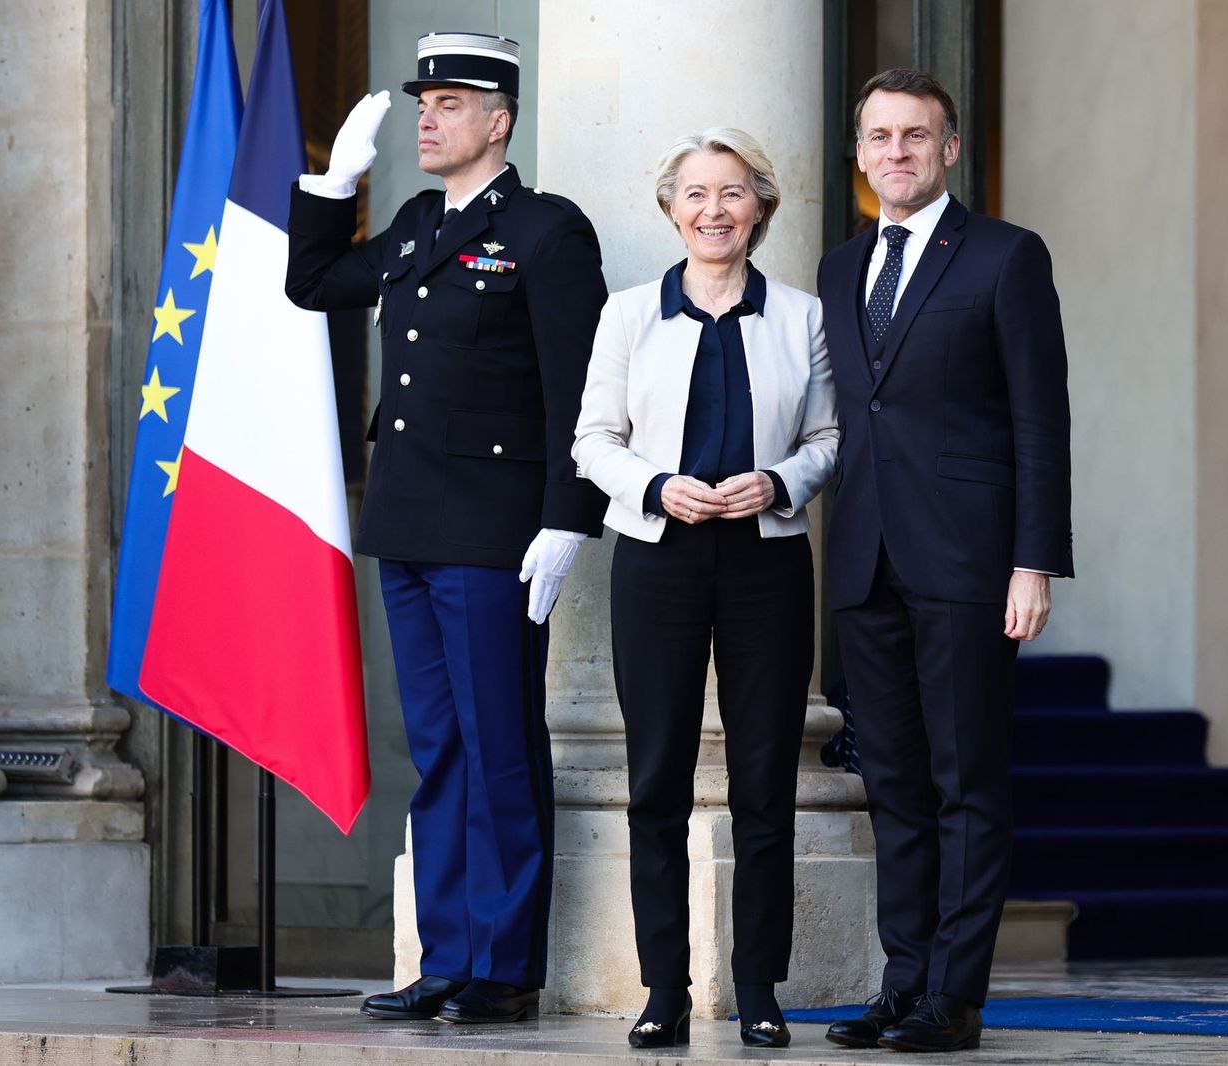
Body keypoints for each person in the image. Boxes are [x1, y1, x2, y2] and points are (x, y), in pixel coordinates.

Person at [283, 32, 608, 1024]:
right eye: (424, 100)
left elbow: (579, 391)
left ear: (499, 119)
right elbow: (314, 282)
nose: (426, 115)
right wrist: (334, 184)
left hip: (494, 530)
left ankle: (502, 967)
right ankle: (446, 955)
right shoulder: (424, 222)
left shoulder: (548, 231)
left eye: (450, 102)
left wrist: (568, 519)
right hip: (412, 521)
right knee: (439, 749)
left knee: (497, 743)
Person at [817, 68, 1073, 1053]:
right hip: (863, 559)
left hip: (970, 561)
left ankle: (953, 997)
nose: (896, 153)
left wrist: (1032, 560)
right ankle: (903, 980)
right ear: (860, 153)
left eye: (914, 136)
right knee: (892, 781)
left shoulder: (1006, 257)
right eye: (879, 137)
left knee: (967, 779)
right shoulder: (840, 269)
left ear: (949, 149)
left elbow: (1037, 418)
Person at [572, 128, 838, 1050]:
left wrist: (781, 483)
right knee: (657, 783)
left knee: (766, 780)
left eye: (732, 193)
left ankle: (760, 986)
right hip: (658, 558)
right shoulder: (627, 315)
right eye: (695, 194)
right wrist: (654, 485)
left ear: (760, 207)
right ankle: (663, 990)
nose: (713, 210)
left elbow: (831, 439)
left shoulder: (803, 318)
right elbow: (593, 438)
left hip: (766, 560)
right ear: (670, 209)